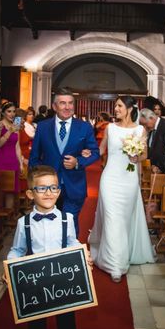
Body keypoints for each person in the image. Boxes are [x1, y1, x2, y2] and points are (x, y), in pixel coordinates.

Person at [7, 165, 90, 329]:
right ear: (30, 193)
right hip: (36, 286)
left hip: (64, 284)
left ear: (59, 191)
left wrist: (83, 255)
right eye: (42, 188)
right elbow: (17, 250)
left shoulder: (67, 219)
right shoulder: (23, 223)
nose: (48, 193)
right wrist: (9, 266)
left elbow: (72, 243)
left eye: (53, 188)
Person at [88, 96, 156, 282]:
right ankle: (115, 264)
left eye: (119, 106)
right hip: (110, 178)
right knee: (112, 217)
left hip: (129, 178)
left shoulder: (140, 129)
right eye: (115, 106)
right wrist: (85, 152)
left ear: (128, 108)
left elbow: (144, 154)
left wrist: (136, 157)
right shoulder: (110, 128)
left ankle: (120, 255)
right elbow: (101, 150)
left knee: (123, 219)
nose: (115, 109)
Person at [29, 87, 100, 235]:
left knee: (69, 221)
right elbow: (34, 158)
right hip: (47, 187)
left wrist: (78, 162)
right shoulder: (43, 127)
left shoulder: (84, 127)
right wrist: (36, 182)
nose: (67, 107)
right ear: (54, 106)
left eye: (70, 103)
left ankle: (70, 253)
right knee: (47, 223)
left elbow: (94, 152)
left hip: (74, 185)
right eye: (62, 103)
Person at [0, 101, 24, 210]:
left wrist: (20, 163)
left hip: (13, 161)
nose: (12, 114)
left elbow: (17, 146)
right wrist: (9, 131)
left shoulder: (16, 124)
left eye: (13, 111)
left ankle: (8, 220)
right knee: (0, 191)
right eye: (9, 111)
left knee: (11, 192)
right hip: (1, 160)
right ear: (3, 113)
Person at [138, 107, 165, 174]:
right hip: (153, 170)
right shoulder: (151, 128)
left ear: (151, 118)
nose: (144, 127)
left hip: (164, 170)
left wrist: (160, 167)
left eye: (145, 124)